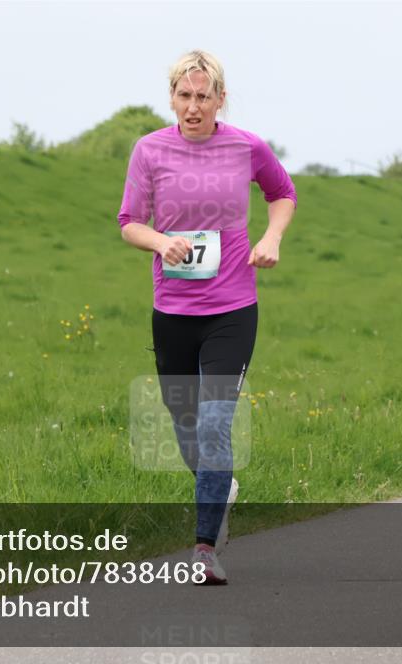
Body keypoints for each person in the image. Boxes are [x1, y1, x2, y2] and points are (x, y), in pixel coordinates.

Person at [117, 50, 296, 584]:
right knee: (187, 428)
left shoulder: (246, 147)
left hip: (232, 309)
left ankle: (203, 550)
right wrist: (159, 242)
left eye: (203, 96)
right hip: (172, 312)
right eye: (184, 95)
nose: (193, 106)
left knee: (216, 425)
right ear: (172, 98)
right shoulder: (150, 150)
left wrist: (271, 237)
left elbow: (282, 193)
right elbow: (129, 222)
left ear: (221, 99)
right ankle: (221, 486)